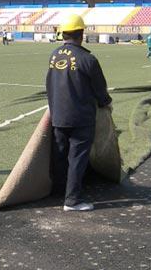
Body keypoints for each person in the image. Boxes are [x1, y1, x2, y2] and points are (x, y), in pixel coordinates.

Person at [46, 14, 112, 212]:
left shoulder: (54, 55)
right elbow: (100, 90)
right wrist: (106, 103)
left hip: (58, 114)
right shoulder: (88, 59)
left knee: (59, 155)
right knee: (77, 158)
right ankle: (72, 200)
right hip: (80, 117)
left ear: (63, 34)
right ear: (81, 34)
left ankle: (59, 192)